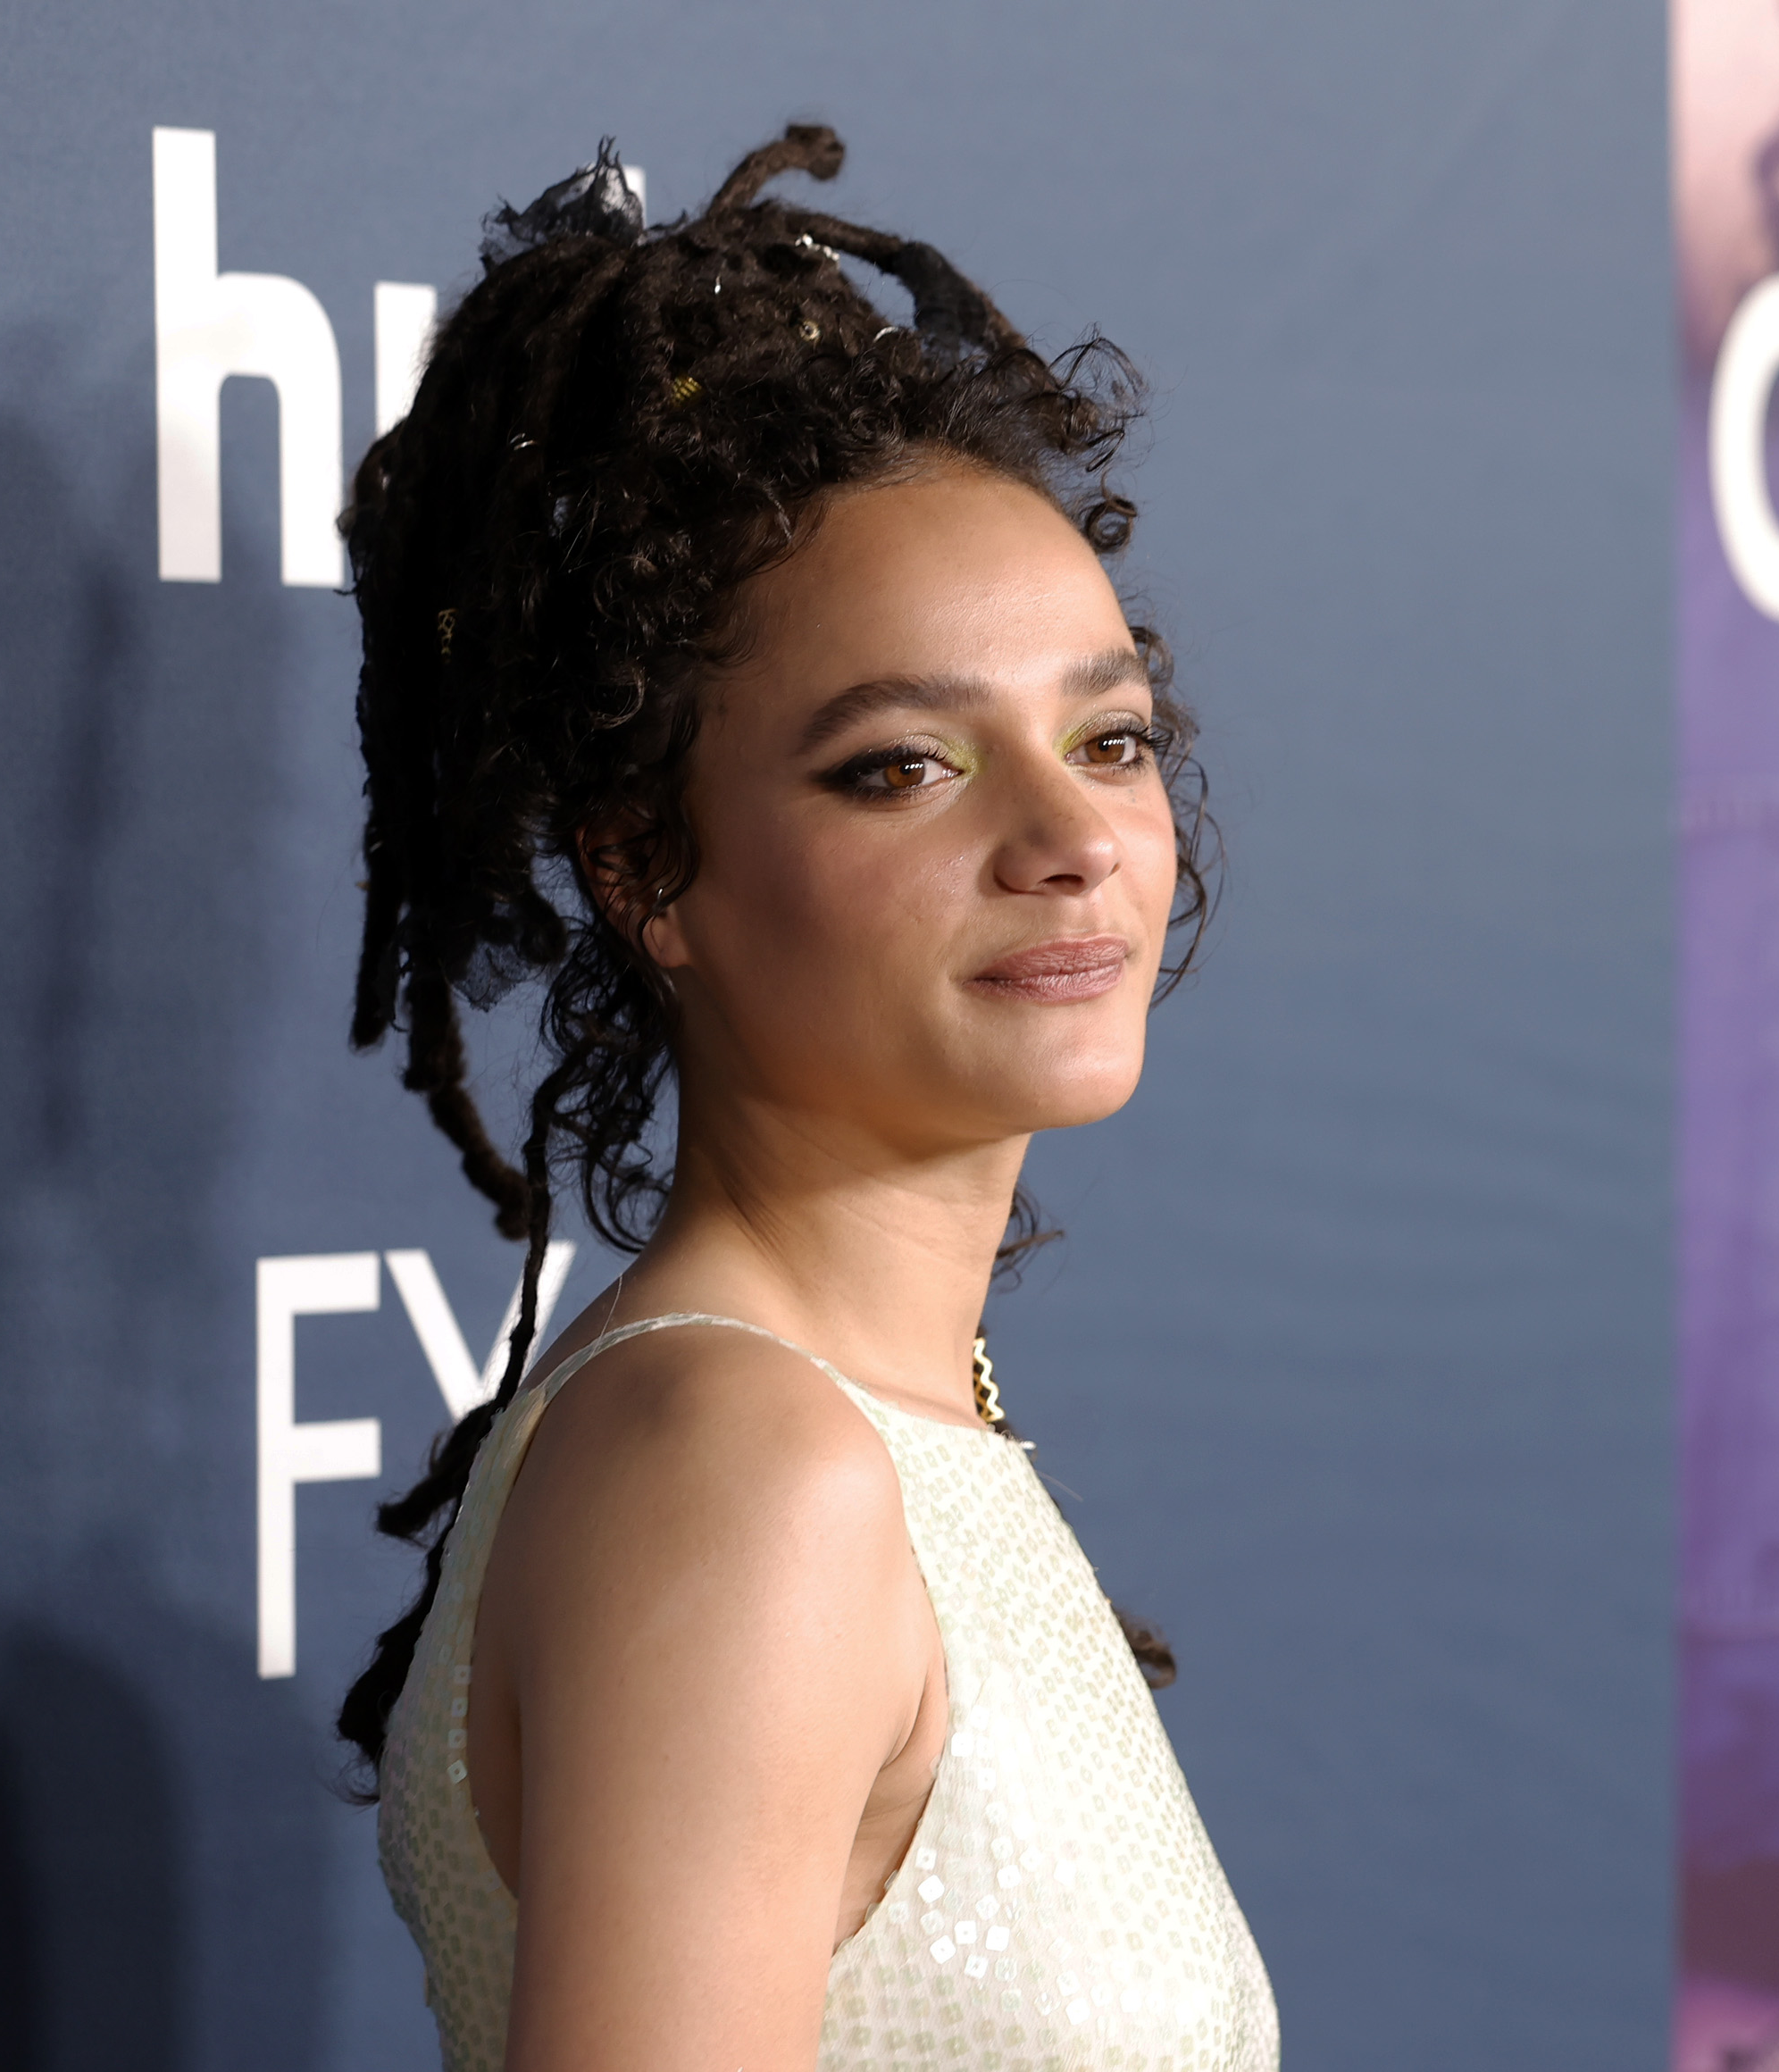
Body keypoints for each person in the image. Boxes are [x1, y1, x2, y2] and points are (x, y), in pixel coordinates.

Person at [327, 128, 1278, 2071]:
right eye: (902, 766)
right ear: (648, 869)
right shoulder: (743, 1465)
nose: (1071, 838)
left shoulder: (850, 1422)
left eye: (1108, 737)